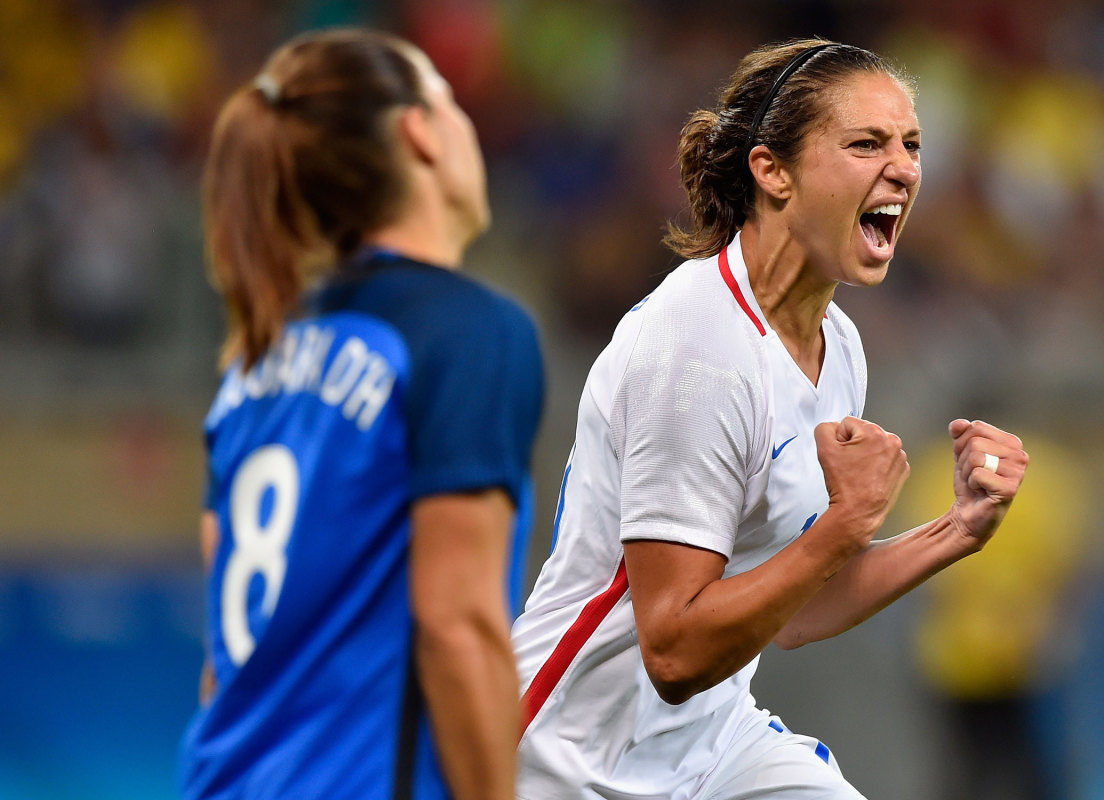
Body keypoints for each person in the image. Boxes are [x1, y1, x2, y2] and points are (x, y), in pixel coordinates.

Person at [511, 37, 1028, 800]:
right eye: (867, 144)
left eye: (912, 145)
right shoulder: (698, 345)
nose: (904, 168)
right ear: (772, 171)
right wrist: (844, 525)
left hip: (714, 745)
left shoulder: (838, 346)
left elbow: (793, 607)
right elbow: (674, 652)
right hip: (575, 761)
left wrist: (957, 529)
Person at [179, 28, 543, 800]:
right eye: (449, 98)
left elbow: (223, 664)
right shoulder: (466, 332)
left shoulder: (251, 366)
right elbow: (458, 625)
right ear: (419, 132)